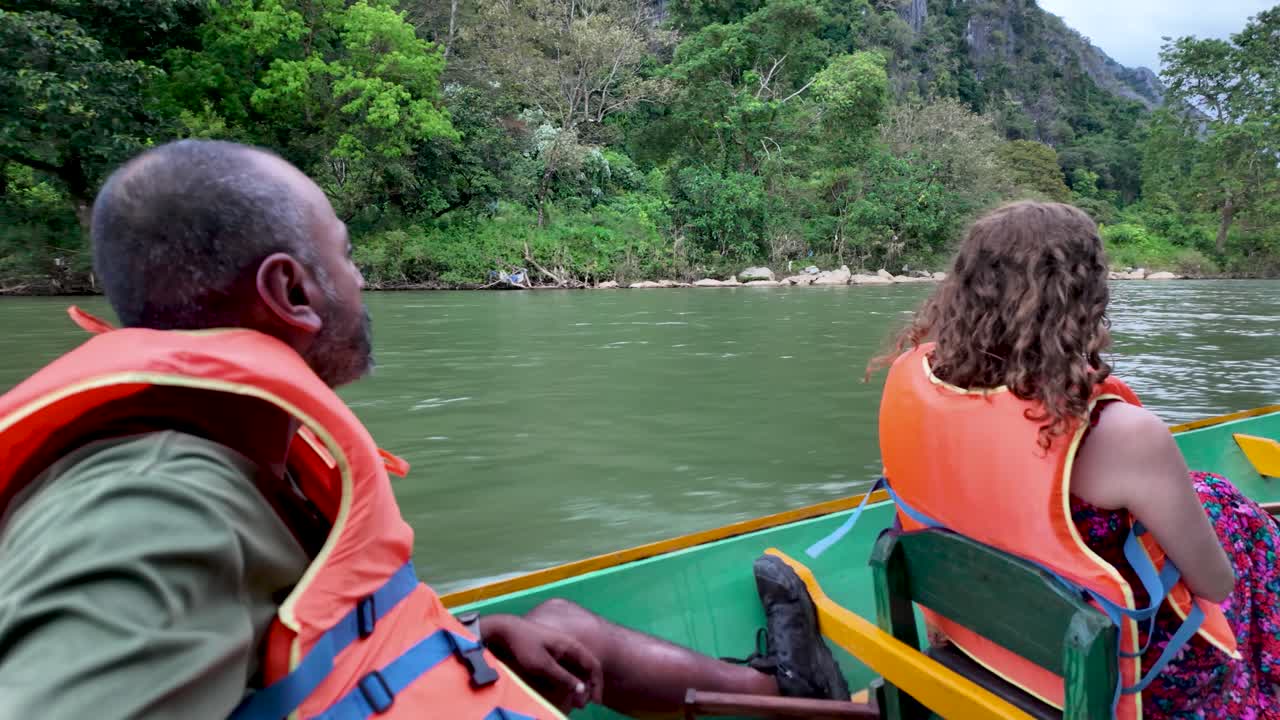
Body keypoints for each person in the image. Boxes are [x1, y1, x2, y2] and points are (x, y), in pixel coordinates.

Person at [0, 140, 851, 719]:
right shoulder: (148, 505)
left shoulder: (230, 445)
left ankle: (783, 693)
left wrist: (472, 641)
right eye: (347, 253)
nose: (360, 278)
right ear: (293, 292)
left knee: (561, 625)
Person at [869, 200, 1280, 719]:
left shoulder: (921, 386)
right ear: (1086, 300)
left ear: (964, 289)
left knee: (1212, 496)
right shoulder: (1123, 435)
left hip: (980, 634)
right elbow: (1217, 587)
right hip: (1113, 668)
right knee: (1243, 529)